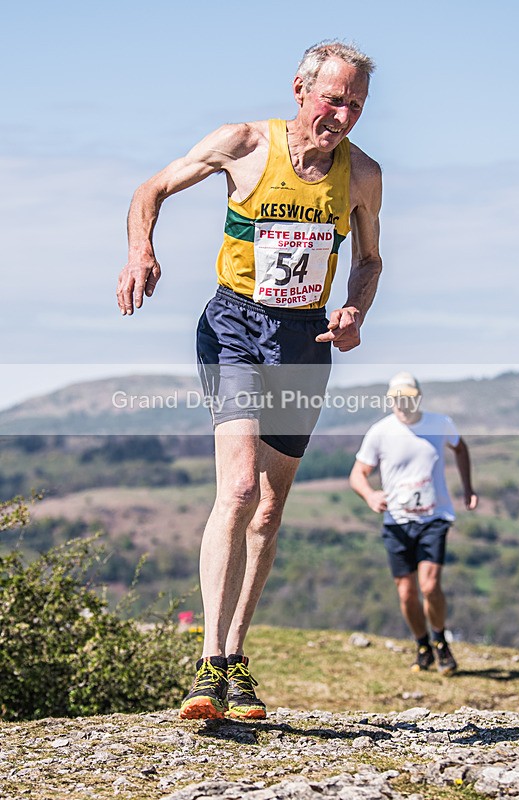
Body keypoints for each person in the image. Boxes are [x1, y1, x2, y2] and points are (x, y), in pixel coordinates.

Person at [117, 40, 383, 719]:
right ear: (300, 89)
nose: (342, 115)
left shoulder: (361, 175)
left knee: (268, 507)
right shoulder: (241, 144)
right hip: (235, 325)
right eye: (332, 99)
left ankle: (235, 661)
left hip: (304, 340)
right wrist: (141, 250)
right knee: (236, 488)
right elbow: (151, 188)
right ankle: (206, 665)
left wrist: (354, 310)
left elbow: (369, 260)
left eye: (354, 104)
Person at [350, 372, 478, 675]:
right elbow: (357, 474)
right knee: (406, 593)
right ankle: (422, 645)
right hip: (397, 521)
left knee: (430, 586)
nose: (403, 405)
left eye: (408, 398)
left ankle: (440, 641)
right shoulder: (380, 432)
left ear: (418, 397)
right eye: (397, 399)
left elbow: (460, 448)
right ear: (390, 401)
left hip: (434, 517)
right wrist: (369, 496)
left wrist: (468, 488)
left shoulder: (440, 424)